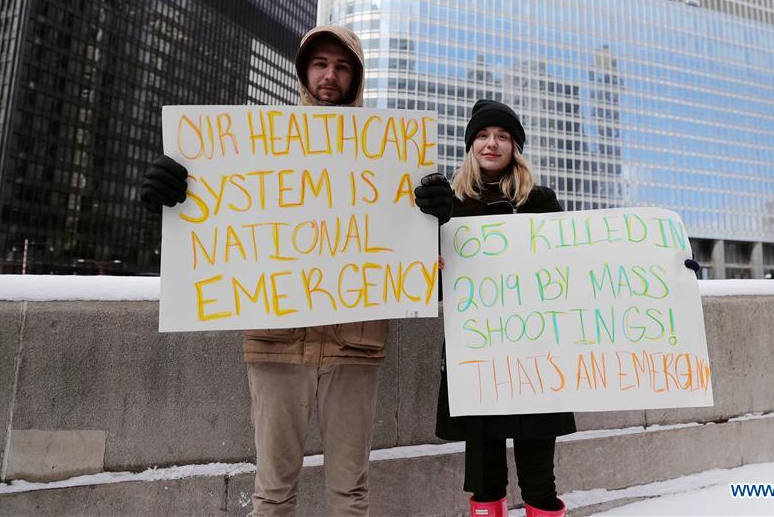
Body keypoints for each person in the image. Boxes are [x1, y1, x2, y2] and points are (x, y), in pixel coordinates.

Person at [414, 99, 702, 517]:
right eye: (482, 135)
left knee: (539, 478)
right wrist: (427, 237)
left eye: (502, 136)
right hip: (477, 357)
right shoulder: (451, 205)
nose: (491, 143)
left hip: (536, 357)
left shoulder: (540, 202)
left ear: (516, 148)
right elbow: (433, 286)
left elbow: (580, 267)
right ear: (470, 145)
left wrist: (669, 269)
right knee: (484, 475)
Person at [140, 26, 383, 517]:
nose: (330, 75)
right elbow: (218, 217)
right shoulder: (256, 146)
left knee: (350, 494)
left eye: (342, 66)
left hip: (354, 341)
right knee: (272, 494)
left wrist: (431, 215)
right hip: (278, 337)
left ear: (356, 78)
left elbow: (406, 247)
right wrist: (170, 196)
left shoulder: (386, 156)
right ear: (304, 71)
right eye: (320, 64)